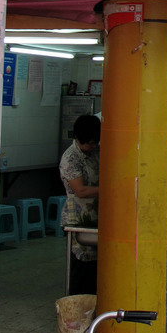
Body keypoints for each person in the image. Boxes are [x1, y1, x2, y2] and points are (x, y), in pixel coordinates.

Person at [60, 114, 100, 296]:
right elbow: (81, 190)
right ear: (78, 138)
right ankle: (78, 306)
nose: (92, 147)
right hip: (78, 217)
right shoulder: (70, 159)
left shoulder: (96, 152)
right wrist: (111, 189)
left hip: (97, 214)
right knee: (82, 267)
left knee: (96, 268)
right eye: (89, 143)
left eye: (95, 143)